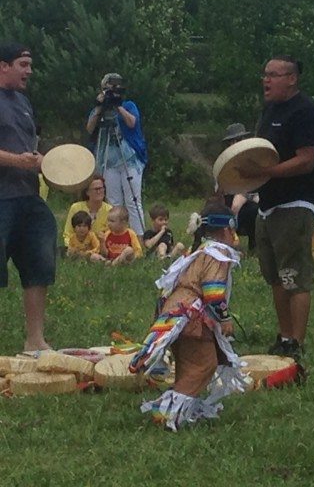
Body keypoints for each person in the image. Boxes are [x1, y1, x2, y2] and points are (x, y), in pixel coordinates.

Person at [129, 199, 245, 431]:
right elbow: (213, 291)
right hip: (191, 317)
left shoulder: (200, 250)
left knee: (188, 365)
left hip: (173, 314)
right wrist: (225, 318)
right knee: (204, 364)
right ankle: (166, 415)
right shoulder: (219, 253)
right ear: (227, 229)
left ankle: (181, 411)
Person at [253, 56, 314, 360]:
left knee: (294, 275)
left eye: (273, 75)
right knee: (275, 276)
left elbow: (306, 160)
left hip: (295, 202)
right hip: (267, 204)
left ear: (292, 79)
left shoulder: (305, 112)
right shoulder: (269, 111)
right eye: (264, 75)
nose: (266, 80)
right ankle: (283, 337)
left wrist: (267, 173)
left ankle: (296, 343)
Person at [0, 41, 56, 352]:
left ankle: (34, 340)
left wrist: (42, 161)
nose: (29, 71)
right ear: (2, 66)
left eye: (30, 65)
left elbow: (28, 147)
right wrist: (18, 161)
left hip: (28, 196)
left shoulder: (23, 102)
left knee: (39, 262)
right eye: (23, 64)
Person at [85, 72, 147, 235]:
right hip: (109, 159)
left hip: (129, 158)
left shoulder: (129, 105)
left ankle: (138, 236)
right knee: (114, 201)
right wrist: (99, 106)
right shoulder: (100, 109)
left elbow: (132, 122)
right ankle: (117, 235)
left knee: (132, 199)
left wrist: (117, 105)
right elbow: (90, 128)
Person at [221, 123, 259, 253]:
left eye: (238, 140)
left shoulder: (253, 162)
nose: (235, 144)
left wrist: (244, 195)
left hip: (249, 201)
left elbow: (258, 185)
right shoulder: (224, 162)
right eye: (232, 141)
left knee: (256, 210)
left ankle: (254, 246)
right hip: (228, 201)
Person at [62, 176, 112, 248]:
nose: (99, 191)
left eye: (101, 188)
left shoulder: (109, 210)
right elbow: (68, 233)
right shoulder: (76, 207)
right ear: (87, 192)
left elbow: (112, 234)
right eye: (95, 189)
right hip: (77, 247)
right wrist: (71, 247)